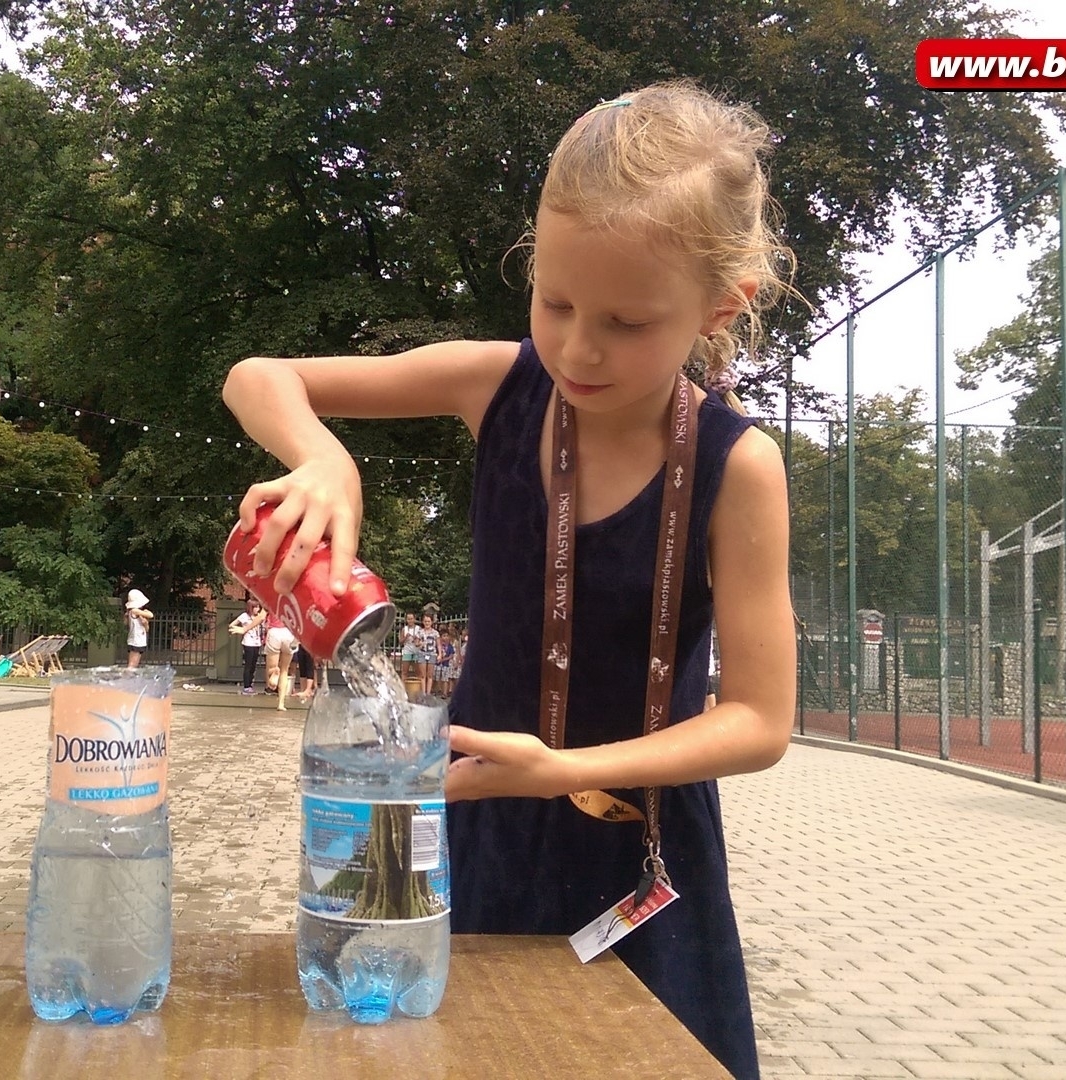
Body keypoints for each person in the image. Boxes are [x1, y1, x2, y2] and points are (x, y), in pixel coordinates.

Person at [222, 82, 796, 1079]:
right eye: (556, 300)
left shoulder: (734, 466)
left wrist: (565, 771)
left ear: (719, 306)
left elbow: (758, 721)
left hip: (639, 858)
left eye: (624, 321)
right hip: (459, 835)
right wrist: (322, 458)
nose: (576, 345)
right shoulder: (494, 383)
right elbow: (256, 375)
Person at [229, 598, 267, 694]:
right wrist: (241, 629)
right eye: (255, 607)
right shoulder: (244, 616)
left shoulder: (259, 617)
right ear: (250, 608)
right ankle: (246, 686)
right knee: (248, 665)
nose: (257, 609)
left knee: (253, 665)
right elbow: (232, 624)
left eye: (258, 607)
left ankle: (250, 685)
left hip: (257, 642)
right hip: (248, 642)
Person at [263, 608, 297, 710]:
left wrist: (244, 629)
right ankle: (281, 704)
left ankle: (274, 673)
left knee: (271, 669)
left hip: (275, 632)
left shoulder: (272, 598)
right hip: (289, 634)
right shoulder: (293, 601)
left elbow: (261, 616)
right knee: (285, 671)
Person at [124, 589, 154, 669]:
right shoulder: (134, 610)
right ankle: (127, 678)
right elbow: (150, 615)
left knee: (134, 663)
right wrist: (146, 612)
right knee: (132, 664)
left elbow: (146, 629)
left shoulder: (133, 612)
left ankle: (129, 678)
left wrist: (145, 624)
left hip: (138, 639)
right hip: (136, 640)